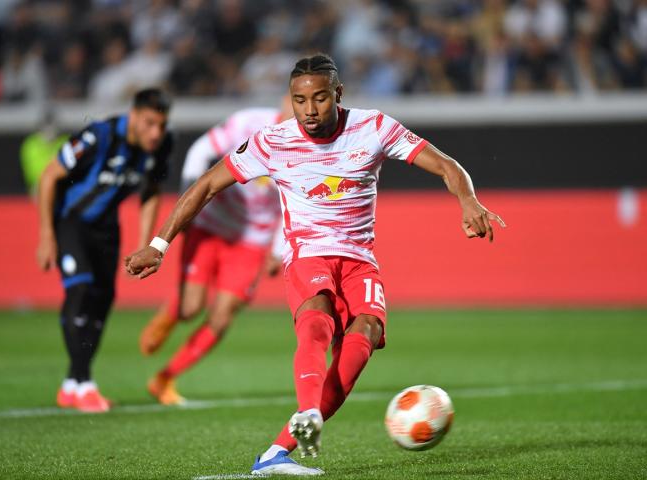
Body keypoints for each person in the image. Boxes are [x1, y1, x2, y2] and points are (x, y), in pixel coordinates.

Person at [125, 54, 505, 475]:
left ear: (338, 95)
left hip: (360, 259)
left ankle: (276, 452)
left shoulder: (374, 128)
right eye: (300, 100)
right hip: (308, 254)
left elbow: (444, 164)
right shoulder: (274, 141)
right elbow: (208, 184)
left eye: (320, 99)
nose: (309, 110)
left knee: (366, 334)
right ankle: (308, 411)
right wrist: (158, 245)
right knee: (317, 319)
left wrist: (468, 200)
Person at [140, 100, 293, 406]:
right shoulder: (248, 121)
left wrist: (278, 248)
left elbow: (295, 202)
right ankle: (172, 314)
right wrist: (189, 194)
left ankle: (165, 378)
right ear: (286, 101)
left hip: (253, 238)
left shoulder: (312, 148)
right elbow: (200, 149)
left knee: (222, 318)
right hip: (210, 223)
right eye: (298, 101)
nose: (306, 111)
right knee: (191, 308)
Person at [37, 88, 173, 413]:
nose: (156, 133)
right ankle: (85, 383)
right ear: (135, 116)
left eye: (162, 125)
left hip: (106, 230)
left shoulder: (160, 147)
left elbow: (151, 192)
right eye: (150, 123)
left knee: (102, 303)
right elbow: (49, 176)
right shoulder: (97, 136)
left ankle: (71, 384)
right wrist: (46, 234)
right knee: (80, 291)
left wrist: (146, 245)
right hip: (71, 222)